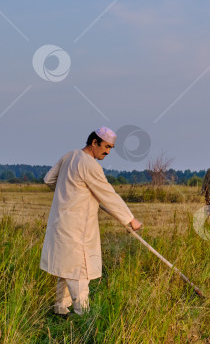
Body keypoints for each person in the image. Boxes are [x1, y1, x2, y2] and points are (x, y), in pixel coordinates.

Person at [40, 126, 143, 316]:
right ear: (94, 142)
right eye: (106, 146)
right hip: (77, 229)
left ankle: (60, 310)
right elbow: (108, 195)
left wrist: (69, 190)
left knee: (66, 268)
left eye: (111, 148)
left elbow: (49, 180)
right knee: (79, 273)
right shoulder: (90, 165)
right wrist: (130, 219)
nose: (108, 151)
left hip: (61, 225)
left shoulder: (69, 156)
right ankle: (83, 317)